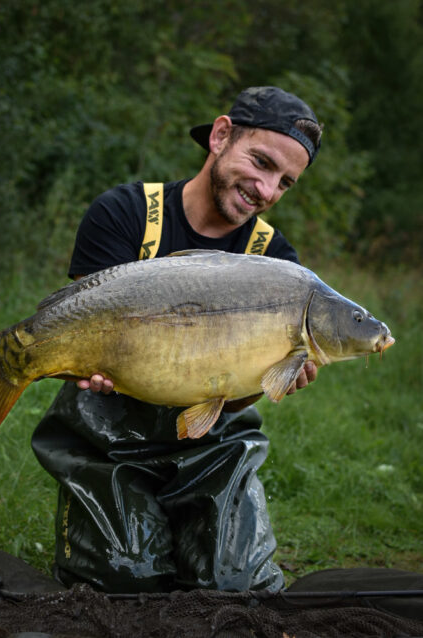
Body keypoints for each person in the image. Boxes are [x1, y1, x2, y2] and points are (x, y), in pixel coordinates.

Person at [32, 86, 322, 595]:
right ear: (220, 135)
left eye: (285, 182)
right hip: (110, 433)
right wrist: (84, 365)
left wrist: (276, 379)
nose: (268, 189)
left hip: (212, 440)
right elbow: (82, 325)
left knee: (237, 587)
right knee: (126, 584)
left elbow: (240, 394)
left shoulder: (276, 262)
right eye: (261, 161)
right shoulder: (123, 213)